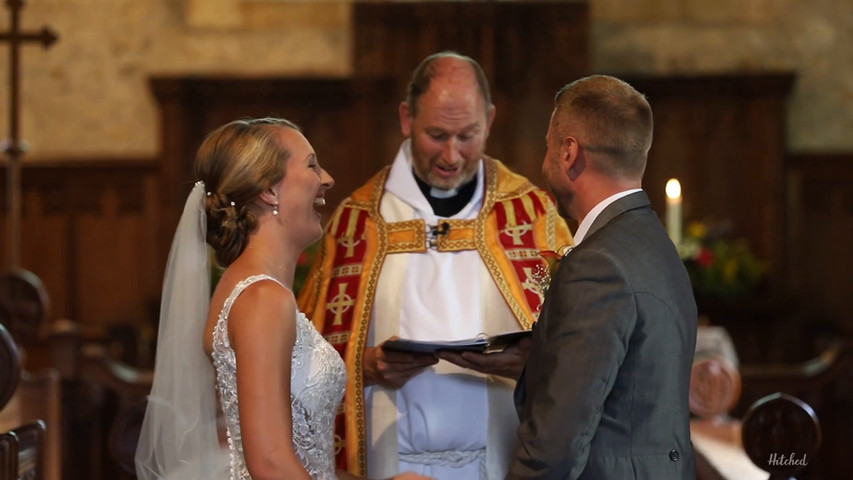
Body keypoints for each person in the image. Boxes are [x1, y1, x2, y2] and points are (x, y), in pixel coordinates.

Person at [297, 52, 574, 479]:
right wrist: (362, 365)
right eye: (437, 134)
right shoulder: (358, 221)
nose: (451, 155)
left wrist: (536, 365)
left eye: (468, 136)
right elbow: (301, 360)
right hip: (392, 468)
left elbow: (584, 344)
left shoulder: (532, 214)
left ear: (491, 121)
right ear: (407, 119)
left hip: (500, 463)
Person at [134, 117, 433, 480]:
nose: (327, 178)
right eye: (311, 165)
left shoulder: (250, 290)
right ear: (268, 191)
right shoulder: (263, 299)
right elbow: (270, 466)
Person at [507, 75, 698, 479]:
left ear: (569, 152)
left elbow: (557, 444)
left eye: (548, 145)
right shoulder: (655, 244)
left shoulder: (598, 265)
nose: (544, 161)